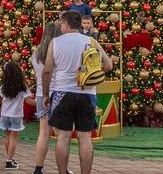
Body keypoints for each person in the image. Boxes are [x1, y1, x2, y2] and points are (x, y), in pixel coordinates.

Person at [40, 10, 113, 174]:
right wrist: (89, 71)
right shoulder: (91, 41)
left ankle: (63, 172)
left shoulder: (55, 42)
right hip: (87, 93)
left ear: (66, 24)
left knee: (63, 137)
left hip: (62, 92)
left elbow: (47, 71)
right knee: (85, 137)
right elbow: (109, 65)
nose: (60, 26)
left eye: (60, 23)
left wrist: (45, 94)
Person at [31, 22, 60, 174]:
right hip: (57, 92)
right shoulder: (58, 51)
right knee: (62, 134)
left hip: (41, 93)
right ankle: (63, 167)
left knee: (43, 133)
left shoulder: (36, 54)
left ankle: (38, 167)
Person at [0, 61, 30, 169]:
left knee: (7, 137)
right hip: (16, 115)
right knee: (13, 138)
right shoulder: (22, 87)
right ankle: (9, 161)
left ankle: (9, 158)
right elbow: (28, 101)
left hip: (5, 114)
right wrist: (40, 104)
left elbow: (2, 96)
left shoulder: (3, 87)